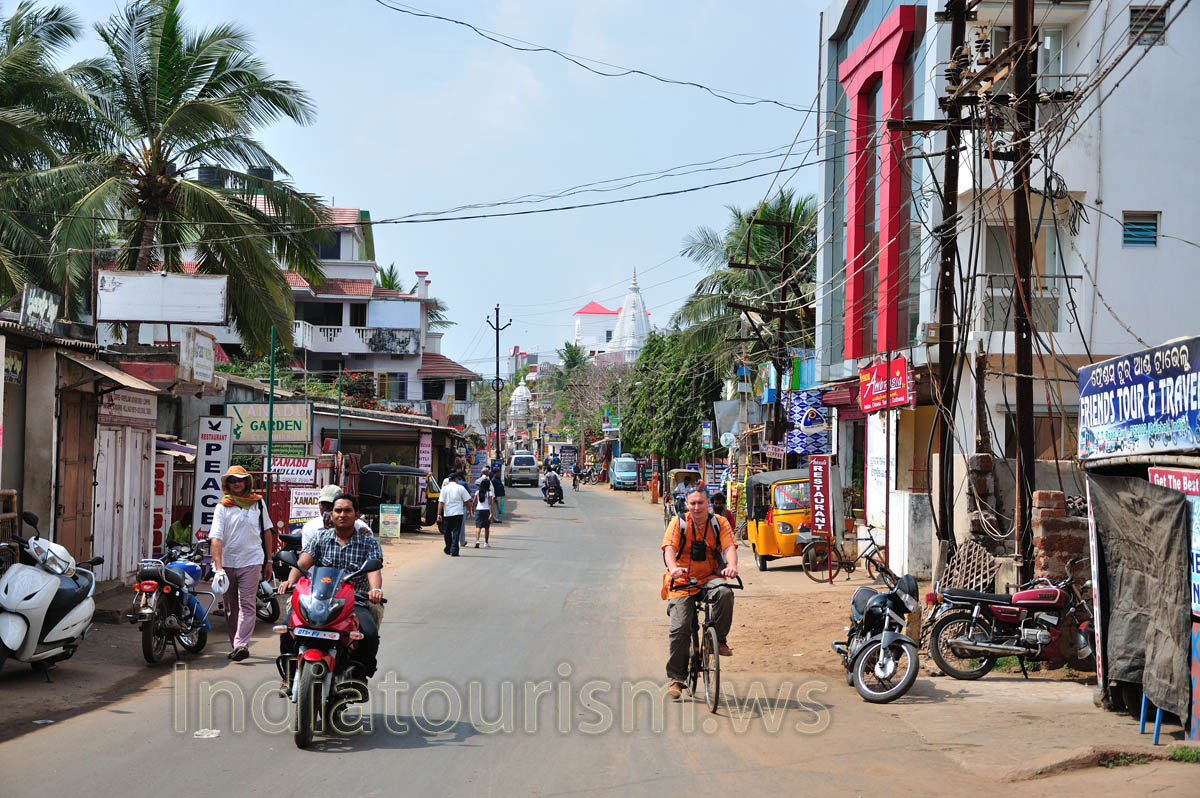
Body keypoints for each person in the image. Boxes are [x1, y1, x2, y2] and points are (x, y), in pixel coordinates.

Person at [280, 494, 383, 679]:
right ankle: (289, 675)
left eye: (347, 510)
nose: (342, 514)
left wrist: (375, 590)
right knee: (287, 628)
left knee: (369, 633)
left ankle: (360, 674)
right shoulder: (321, 538)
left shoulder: (369, 542)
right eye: (338, 510)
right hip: (318, 599)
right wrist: (290, 580)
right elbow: (302, 564)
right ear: (331, 514)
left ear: (357, 514)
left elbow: (374, 569)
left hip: (353, 601)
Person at [662, 486, 739, 701]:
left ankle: (719, 639)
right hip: (682, 580)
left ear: (708, 504)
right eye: (692, 503)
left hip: (708, 578)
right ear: (687, 504)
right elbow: (669, 548)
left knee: (725, 593)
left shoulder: (719, 523)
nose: (696, 507)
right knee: (680, 629)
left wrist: (731, 566)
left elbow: (729, 547)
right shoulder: (678, 522)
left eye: (700, 503)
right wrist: (673, 568)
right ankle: (677, 678)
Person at [209, 465, 273, 661]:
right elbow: (216, 538)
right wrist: (218, 568)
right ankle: (236, 644)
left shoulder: (258, 504)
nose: (237, 483)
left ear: (247, 482)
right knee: (230, 607)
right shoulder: (222, 506)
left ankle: (241, 644)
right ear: (227, 484)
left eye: (240, 479)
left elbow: (267, 531)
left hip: (252, 560)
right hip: (227, 562)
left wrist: (269, 561)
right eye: (233, 480)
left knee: (247, 603)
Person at [301, 483, 371, 548]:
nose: (327, 509)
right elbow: (309, 555)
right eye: (323, 504)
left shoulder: (360, 527)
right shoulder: (311, 527)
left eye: (331, 505)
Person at [438, 472, 472, 556]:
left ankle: (448, 548)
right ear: (456, 479)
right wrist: (469, 510)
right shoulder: (460, 488)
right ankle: (454, 550)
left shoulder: (444, 489)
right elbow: (467, 501)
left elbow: (441, 502)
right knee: (456, 531)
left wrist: (439, 514)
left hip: (447, 514)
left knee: (447, 532)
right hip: (458, 513)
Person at [473, 473, 494, 548]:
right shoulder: (489, 493)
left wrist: (472, 509)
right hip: (486, 511)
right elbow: (490, 504)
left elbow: (474, 501)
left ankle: (477, 540)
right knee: (486, 528)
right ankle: (486, 542)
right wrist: (491, 514)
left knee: (478, 526)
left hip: (478, 510)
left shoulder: (478, 492)